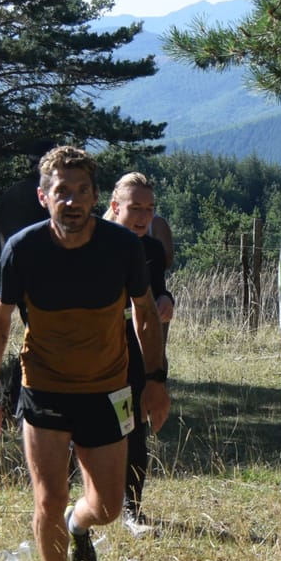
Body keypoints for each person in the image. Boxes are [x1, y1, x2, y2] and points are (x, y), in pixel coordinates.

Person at [0, 146, 171, 561]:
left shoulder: (123, 248)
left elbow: (145, 316)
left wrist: (155, 382)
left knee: (104, 504)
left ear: (95, 197)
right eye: (63, 192)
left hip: (108, 390)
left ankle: (78, 528)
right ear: (45, 197)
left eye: (82, 191)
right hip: (44, 388)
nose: (73, 201)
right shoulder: (23, 249)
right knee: (48, 495)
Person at [106, 172, 174, 536]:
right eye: (135, 207)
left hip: (135, 353)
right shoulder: (93, 243)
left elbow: (160, 291)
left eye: (149, 208)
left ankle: (133, 511)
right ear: (116, 207)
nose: (144, 216)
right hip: (94, 355)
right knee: (83, 431)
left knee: (133, 431)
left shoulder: (150, 250)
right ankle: (74, 507)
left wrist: (166, 300)